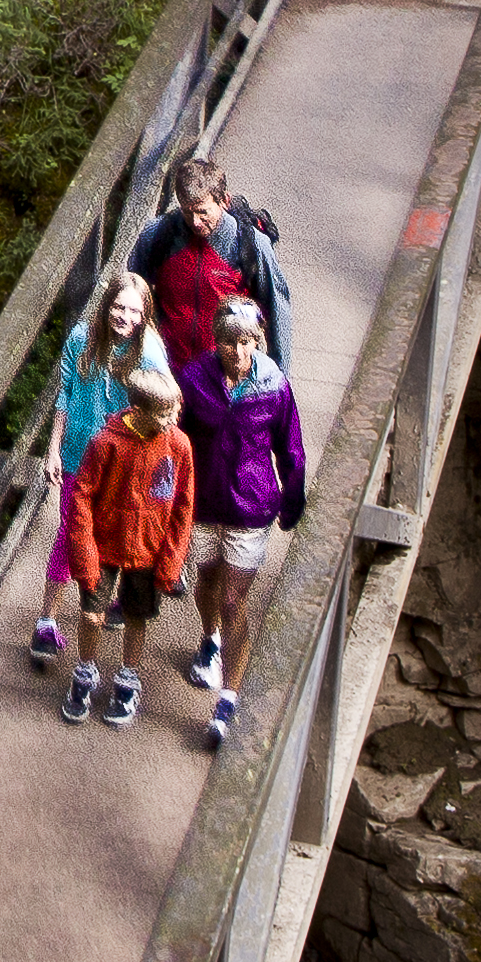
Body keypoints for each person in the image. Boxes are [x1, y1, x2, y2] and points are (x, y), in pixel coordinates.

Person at [183, 299, 309, 748]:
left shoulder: (274, 386)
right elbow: (174, 437)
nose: (238, 352)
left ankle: (229, 698)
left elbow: (290, 448)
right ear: (216, 341)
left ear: (257, 341)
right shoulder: (194, 379)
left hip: (250, 507)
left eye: (247, 342)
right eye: (229, 342)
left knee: (235, 599)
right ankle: (209, 639)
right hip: (204, 503)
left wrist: (293, 501)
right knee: (206, 583)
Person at [32, 273, 159, 668]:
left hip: (123, 459)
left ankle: (113, 601)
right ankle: (46, 620)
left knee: (118, 532)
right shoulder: (81, 339)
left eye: (133, 310)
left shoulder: (150, 354)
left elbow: (163, 407)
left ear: (144, 315)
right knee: (70, 533)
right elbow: (67, 394)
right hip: (77, 453)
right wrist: (53, 449)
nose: (124, 316)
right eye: (118, 307)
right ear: (106, 305)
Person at [57, 375, 194, 731]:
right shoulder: (105, 443)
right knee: (92, 616)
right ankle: (85, 671)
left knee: (137, 616)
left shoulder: (179, 446)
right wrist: (84, 556)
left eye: (174, 409)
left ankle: (127, 679)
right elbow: (82, 498)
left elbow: (183, 505)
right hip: (103, 545)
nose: (172, 419)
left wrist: (172, 559)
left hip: (149, 549)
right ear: (139, 409)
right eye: (164, 413)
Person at [125, 154, 289, 392]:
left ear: (224, 200)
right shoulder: (158, 235)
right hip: (167, 374)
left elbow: (277, 310)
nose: (195, 222)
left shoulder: (251, 245)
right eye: (187, 212)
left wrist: (279, 383)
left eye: (203, 212)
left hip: (227, 380)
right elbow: (130, 293)